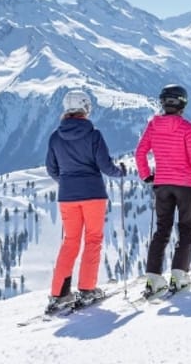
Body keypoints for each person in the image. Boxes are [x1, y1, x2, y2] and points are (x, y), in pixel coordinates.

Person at [44, 89, 127, 313]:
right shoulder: (93, 135)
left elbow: (52, 169)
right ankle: (87, 289)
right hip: (93, 194)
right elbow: (106, 166)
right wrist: (120, 172)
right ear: (85, 108)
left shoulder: (55, 136)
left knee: (70, 242)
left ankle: (59, 293)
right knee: (93, 240)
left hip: (67, 197)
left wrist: (67, 182)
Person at [135, 84, 191, 296]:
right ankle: (179, 274)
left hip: (162, 184)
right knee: (185, 229)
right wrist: (189, 168)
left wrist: (146, 175)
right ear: (183, 103)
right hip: (185, 185)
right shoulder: (187, 128)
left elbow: (140, 153)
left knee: (162, 229)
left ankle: (154, 277)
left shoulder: (153, 126)